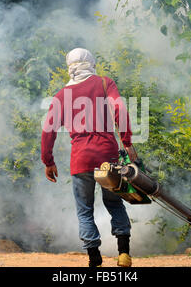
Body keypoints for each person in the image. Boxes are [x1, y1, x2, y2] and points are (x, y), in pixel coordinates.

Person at [41, 48, 137, 267]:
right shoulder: (105, 83)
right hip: (108, 156)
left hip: (80, 160)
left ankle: (94, 259)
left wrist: (48, 161)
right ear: (91, 62)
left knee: (85, 211)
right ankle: (123, 253)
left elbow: (48, 131)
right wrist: (127, 141)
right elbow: (119, 109)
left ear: (69, 66)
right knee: (115, 204)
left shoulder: (60, 96)